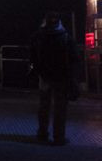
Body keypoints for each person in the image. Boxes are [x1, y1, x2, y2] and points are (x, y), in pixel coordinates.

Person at [29, 11, 78, 146]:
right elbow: (74, 58)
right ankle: (58, 137)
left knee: (44, 106)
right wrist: (72, 76)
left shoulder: (38, 36)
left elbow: (32, 56)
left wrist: (37, 71)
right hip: (61, 77)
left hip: (44, 77)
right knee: (60, 108)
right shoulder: (66, 37)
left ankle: (42, 133)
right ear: (59, 22)